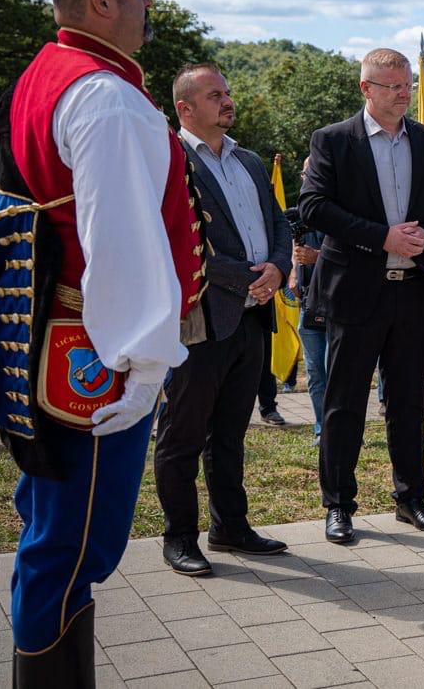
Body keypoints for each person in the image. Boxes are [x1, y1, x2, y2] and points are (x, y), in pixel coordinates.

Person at [0, 0, 205, 685]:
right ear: (104, 1)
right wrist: (147, 362)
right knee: (75, 546)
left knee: (54, 532)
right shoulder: (106, 99)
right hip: (94, 355)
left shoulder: (43, 73)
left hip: (53, 340)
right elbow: (120, 241)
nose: (148, 2)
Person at [299, 48, 424, 544]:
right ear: (365, 89)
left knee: (409, 402)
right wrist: (382, 236)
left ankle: (411, 499)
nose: (402, 94)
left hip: (411, 289)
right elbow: (313, 207)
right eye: (392, 86)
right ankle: (338, 505)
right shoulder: (333, 140)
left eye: (406, 85)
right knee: (344, 404)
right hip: (354, 291)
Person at [154, 63, 292, 575]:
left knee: (231, 433)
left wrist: (278, 266)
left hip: (252, 317)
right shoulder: (168, 161)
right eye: (215, 95)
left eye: (227, 92)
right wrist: (245, 278)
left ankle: (230, 527)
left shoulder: (249, 160)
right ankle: (179, 537)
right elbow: (169, 239)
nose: (227, 100)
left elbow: (279, 222)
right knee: (182, 435)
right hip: (201, 318)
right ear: (185, 108)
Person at [290, 157, 327, 442]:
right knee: (315, 372)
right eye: (304, 173)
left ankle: (343, 429)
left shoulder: (342, 206)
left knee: (338, 371)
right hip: (308, 303)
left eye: (311, 173)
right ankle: (322, 429)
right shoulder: (301, 210)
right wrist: (293, 272)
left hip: (340, 303)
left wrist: (318, 257)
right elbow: (294, 247)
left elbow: (356, 252)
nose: (306, 178)